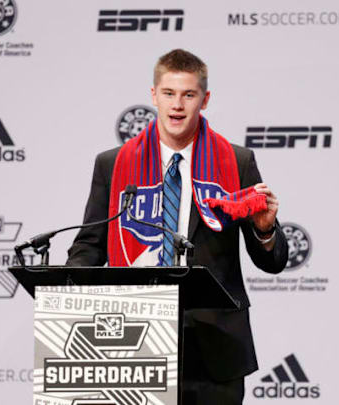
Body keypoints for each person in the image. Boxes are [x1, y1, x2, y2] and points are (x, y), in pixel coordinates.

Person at [66, 49, 288, 404]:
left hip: (215, 350)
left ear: (205, 99)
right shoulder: (113, 165)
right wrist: (66, 298)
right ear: (153, 95)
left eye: (189, 94)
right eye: (169, 94)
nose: (177, 105)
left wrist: (265, 230)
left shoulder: (237, 161)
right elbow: (90, 246)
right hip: (136, 343)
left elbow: (272, 261)